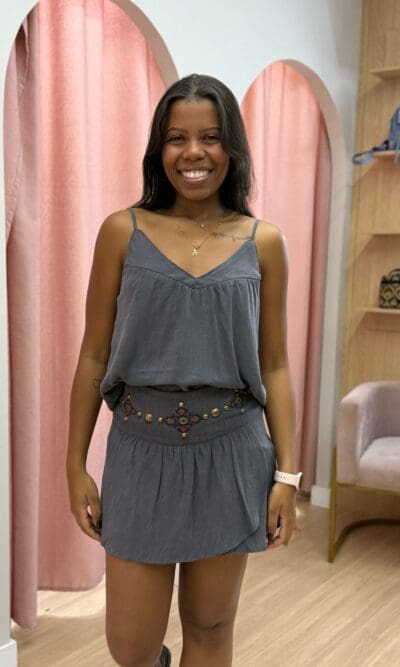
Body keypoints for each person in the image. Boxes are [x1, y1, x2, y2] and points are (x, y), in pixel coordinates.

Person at [66, 73, 302, 667]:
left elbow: (274, 365)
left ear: (232, 148)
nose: (193, 152)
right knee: (131, 648)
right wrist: (74, 464)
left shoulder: (263, 243)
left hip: (231, 450)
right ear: (159, 148)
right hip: (140, 452)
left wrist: (287, 476)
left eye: (210, 137)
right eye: (177, 138)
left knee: (211, 626)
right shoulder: (123, 232)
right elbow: (94, 354)